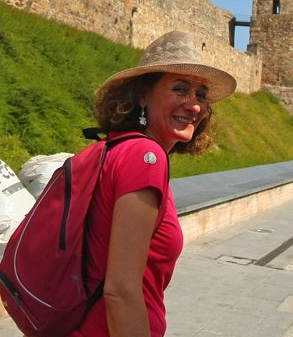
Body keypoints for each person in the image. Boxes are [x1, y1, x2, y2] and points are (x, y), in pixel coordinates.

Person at [71, 30, 236, 337]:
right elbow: (120, 290)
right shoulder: (145, 157)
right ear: (143, 95)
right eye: (180, 89)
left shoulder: (113, 147)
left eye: (201, 95)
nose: (194, 105)